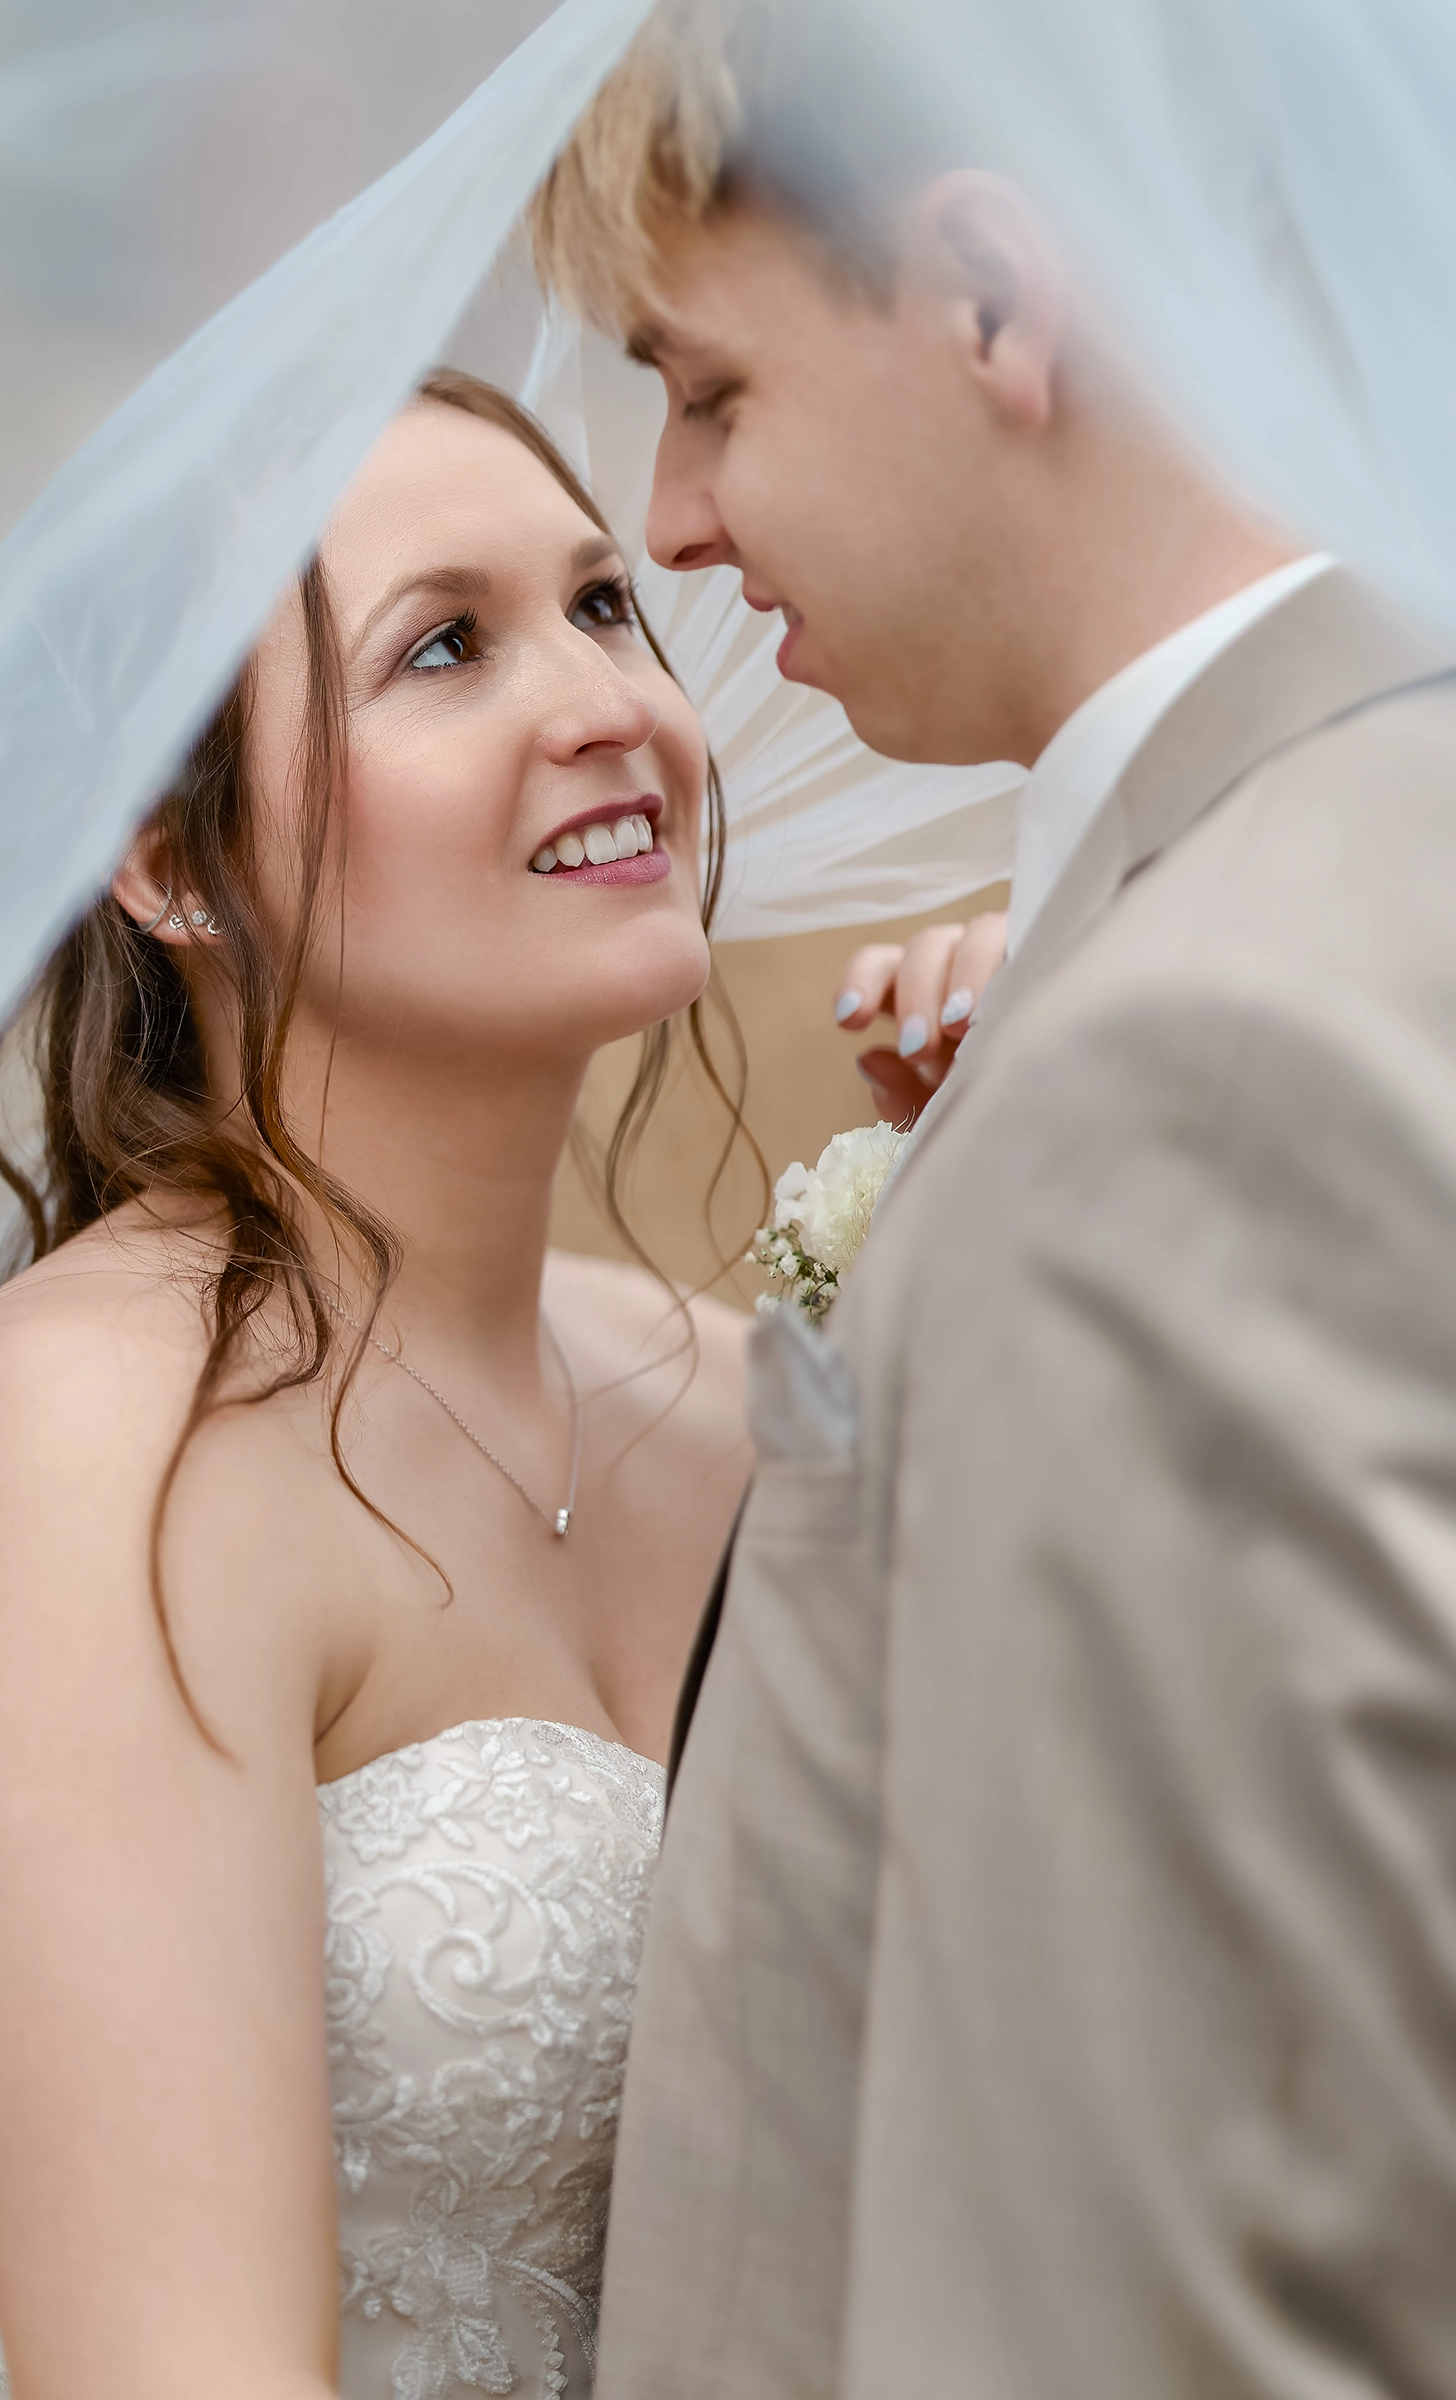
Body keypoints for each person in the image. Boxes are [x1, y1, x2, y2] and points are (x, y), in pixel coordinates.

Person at [0, 366, 1000, 2400]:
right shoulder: (85, 1451)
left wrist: (1026, 1222)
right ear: (168, 863)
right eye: (446, 646)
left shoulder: (744, 1397)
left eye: (606, 607)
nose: (608, 703)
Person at [532, 12, 1456, 2399]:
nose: (680, 523)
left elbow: (1179, 2280)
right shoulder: (1333, 874)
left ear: (992, 301)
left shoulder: (1191, 1069)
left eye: (709, 388)